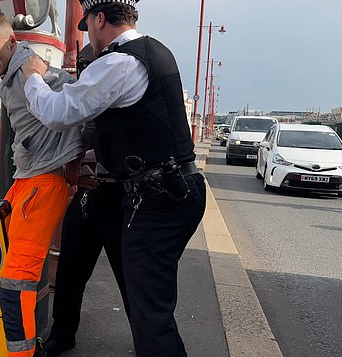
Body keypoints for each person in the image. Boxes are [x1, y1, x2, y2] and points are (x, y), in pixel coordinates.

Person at [22, 1, 207, 356]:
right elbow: (129, 131)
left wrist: (32, 75)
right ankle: (65, 334)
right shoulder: (153, 52)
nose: (90, 35)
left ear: (100, 18)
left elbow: (57, 112)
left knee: (150, 311)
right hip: (160, 188)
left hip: (154, 197)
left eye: (89, 24)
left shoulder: (119, 61)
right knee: (142, 296)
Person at [0, 10, 84, 357]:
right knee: (19, 275)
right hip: (29, 178)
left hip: (43, 181)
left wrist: (75, 157)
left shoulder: (28, 69)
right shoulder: (11, 75)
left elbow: (77, 99)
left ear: (12, 41)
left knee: (15, 283)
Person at [39, 44, 130, 357]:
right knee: (69, 270)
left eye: (90, 66)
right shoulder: (81, 97)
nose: (86, 73)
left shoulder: (124, 96)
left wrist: (78, 161)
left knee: (130, 275)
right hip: (91, 193)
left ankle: (148, 340)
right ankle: (62, 334)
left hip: (121, 194)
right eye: (83, 67)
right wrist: (74, 165)